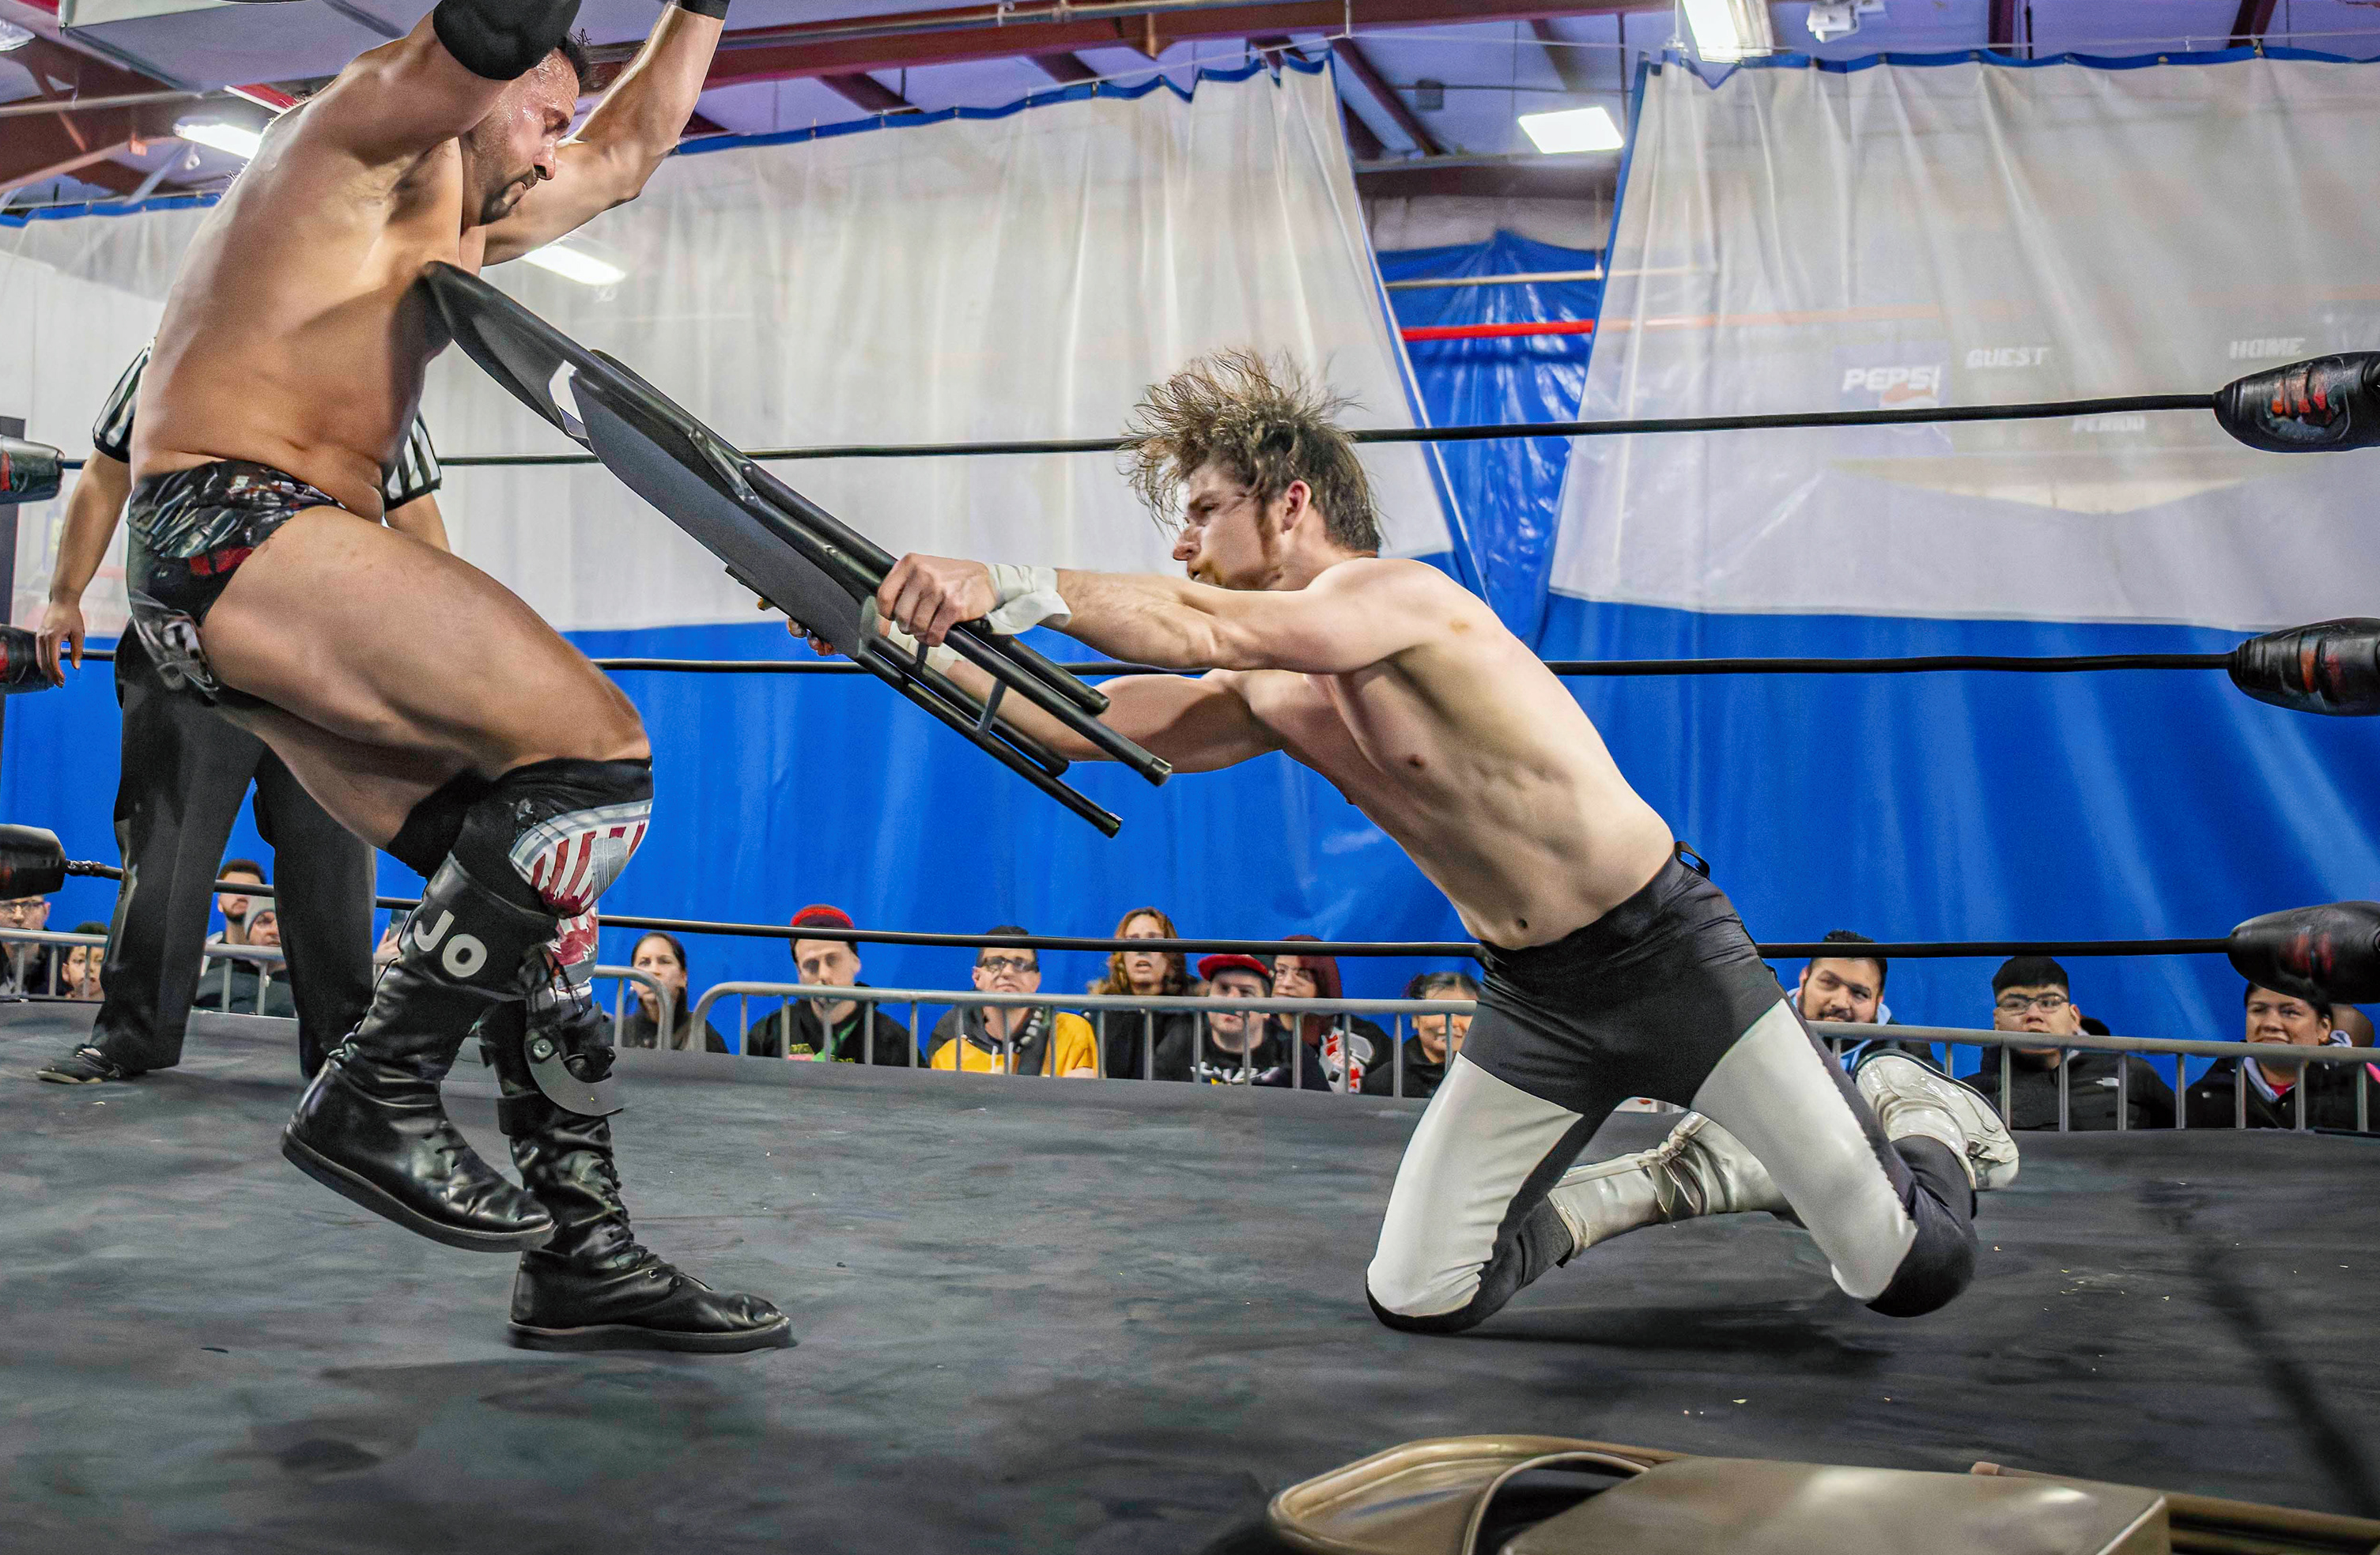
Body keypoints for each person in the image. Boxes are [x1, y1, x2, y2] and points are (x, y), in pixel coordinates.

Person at [841, 346, 2004, 1334]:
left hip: (1669, 958)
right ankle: (1682, 1176)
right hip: (1538, 998)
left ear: (1289, 503)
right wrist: (891, 638)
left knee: (1901, 1270)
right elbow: (1078, 720)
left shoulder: (1399, 600)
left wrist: (1009, 580)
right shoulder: (1269, 688)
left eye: (1202, 510)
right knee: (1423, 1291)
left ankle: (1921, 1110)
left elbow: (1198, 622)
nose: (1183, 545)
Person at [119, 0, 780, 1352]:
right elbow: (508, 3)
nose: (554, 142)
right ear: (495, 87)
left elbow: (627, 155)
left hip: (244, 573)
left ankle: (584, 1253)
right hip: (235, 522)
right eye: (543, 108)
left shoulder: (460, 212)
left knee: (540, 895)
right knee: (601, 753)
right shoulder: (359, 135)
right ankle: (376, 1087)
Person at [32, 336, 421, 1093]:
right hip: (188, 638)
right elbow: (107, 473)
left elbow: (413, 513)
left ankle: (342, 1050)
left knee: (332, 855)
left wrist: (423, 649)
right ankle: (131, 1035)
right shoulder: (175, 350)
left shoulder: (374, 366)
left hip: (319, 650)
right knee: (165, 848)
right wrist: (62, 595)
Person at [1962, 955, 2176, 1132]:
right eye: (2015, 1004)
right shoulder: (1971, 1095)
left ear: (2074, 1017)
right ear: (1997, 1021)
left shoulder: (2133, 1074)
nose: (2033, 1014)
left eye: (2049, 1002)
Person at [2184, 978, 2364, 1130]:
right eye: (2258, 1010)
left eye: (2290, 1012)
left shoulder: (2361, 1091)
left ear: (2323, 1028)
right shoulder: (2207, 1094)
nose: (2270, 1024)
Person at [742, 915, 916, 1067]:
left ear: (856, 962)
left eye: (833, 960)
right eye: (811, 965)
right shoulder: (769, 1033)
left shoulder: (893, 1040)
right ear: (799, 973)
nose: (823, 974)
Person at [929, 934, 1099, 1076]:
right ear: (977, 977)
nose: (1008, 972)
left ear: (1037, 980)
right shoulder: (949, 1055)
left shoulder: (1072, 1032)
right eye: (995, 963)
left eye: (1021, 964)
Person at [1181, 954, 1329, 1089]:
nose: (1231, 1001)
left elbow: (1322, 1108)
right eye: (1223, 989)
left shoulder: (1293, 1052)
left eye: (1246, 992)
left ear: (1266, 1009)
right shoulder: (1181, 1039)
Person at [1090, 906, 1196, 1083]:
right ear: (1121, 957)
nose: (1142, 949)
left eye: (1153, 939)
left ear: (1171, 956)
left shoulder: (1197, 1011)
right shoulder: (1099, 1012)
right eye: (1133, 940)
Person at [1790, 930, 1921, 1073]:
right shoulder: (1770, 1025)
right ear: (1804, 979)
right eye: (1828, 982)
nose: (1841, 1003)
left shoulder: (1909, 1054)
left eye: (1859, 993)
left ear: (1879, 1000)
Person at [1275, 936, 1388, 1093]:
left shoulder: (1366, 1037)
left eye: (1302, 974)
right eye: (1281, 971)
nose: (1286, 983)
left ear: (1323, 980)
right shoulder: (1255, 1028)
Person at [616, 930, 727, 1054]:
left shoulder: (703, 1035)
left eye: (664, 961)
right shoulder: (616, 1033)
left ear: (683, 976)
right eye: (644, 963)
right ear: (633, 979)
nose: (654, 971)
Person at [198, 903, 297, 1020]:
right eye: (264, 922)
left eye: (283, 923)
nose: (275, 930)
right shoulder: (217, 982)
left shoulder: (308, 984)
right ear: (248, 932)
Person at [1395, 969, 1479, 1100]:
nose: (1452, 1022)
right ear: (1416, 1019)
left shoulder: (1493, 1077)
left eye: (1463, 1012)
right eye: (1437, 1010)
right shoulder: (1388, 1079)